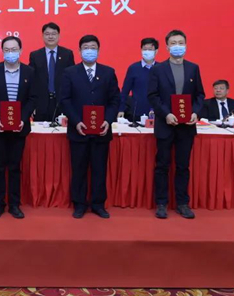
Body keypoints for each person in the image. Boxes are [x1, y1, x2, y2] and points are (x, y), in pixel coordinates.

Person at [60, 35, 120, 219]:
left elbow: (115, 100)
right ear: (79, 51)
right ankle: (79, 204)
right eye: (86, 47)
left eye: (93, 47)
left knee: (99, 169)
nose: (89, 51)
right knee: (78, 169)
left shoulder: (108, 72)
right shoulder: (70, 72)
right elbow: (65, 100)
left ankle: (98, 204)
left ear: (98, 51)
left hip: (101, 130)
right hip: (78, 129)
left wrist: (108, 120)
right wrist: (76, 121)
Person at [147, 29, 204, 220]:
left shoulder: (193, 68)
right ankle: (161, 203)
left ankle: (182, 203)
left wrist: (195, 112)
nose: (177, 46)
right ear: (167, 47)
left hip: (186, 126)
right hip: (166, 124)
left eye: (180, 43)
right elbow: (153, 95)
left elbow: (200, 95)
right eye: (173, 43)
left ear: (186, 45)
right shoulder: (158, 69)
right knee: (162, 165)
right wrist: (166, 114)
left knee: (183, 166)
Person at [0, 36, 37, 219]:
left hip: (19, 127)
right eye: (7, 50)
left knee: (14, 167)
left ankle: (14, 204)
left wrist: (23, 118)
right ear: (2, 51)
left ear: (21, 51)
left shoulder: (29, 72)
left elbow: (32, 98)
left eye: (14, 49)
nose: (11, 53)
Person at [29, 22, 75, 122]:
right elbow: (31, 81)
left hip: (61, 102)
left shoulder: (67, 54)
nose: (50, 36)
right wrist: (32, 106)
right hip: (41, 103)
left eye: (54, 34)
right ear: (42, 36)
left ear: (59, 36)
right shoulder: (35, 55)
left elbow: (72, 79)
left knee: (62, 130)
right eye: (47, 34)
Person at [118, 37, 159, 121]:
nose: (147, 51)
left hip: (157, 112)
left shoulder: (161, 68)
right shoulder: (133, 68)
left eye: (150, 49)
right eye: (145, 49)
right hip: (137, 113)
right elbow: (125, 91)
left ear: (156, 51)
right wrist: (121, 109)